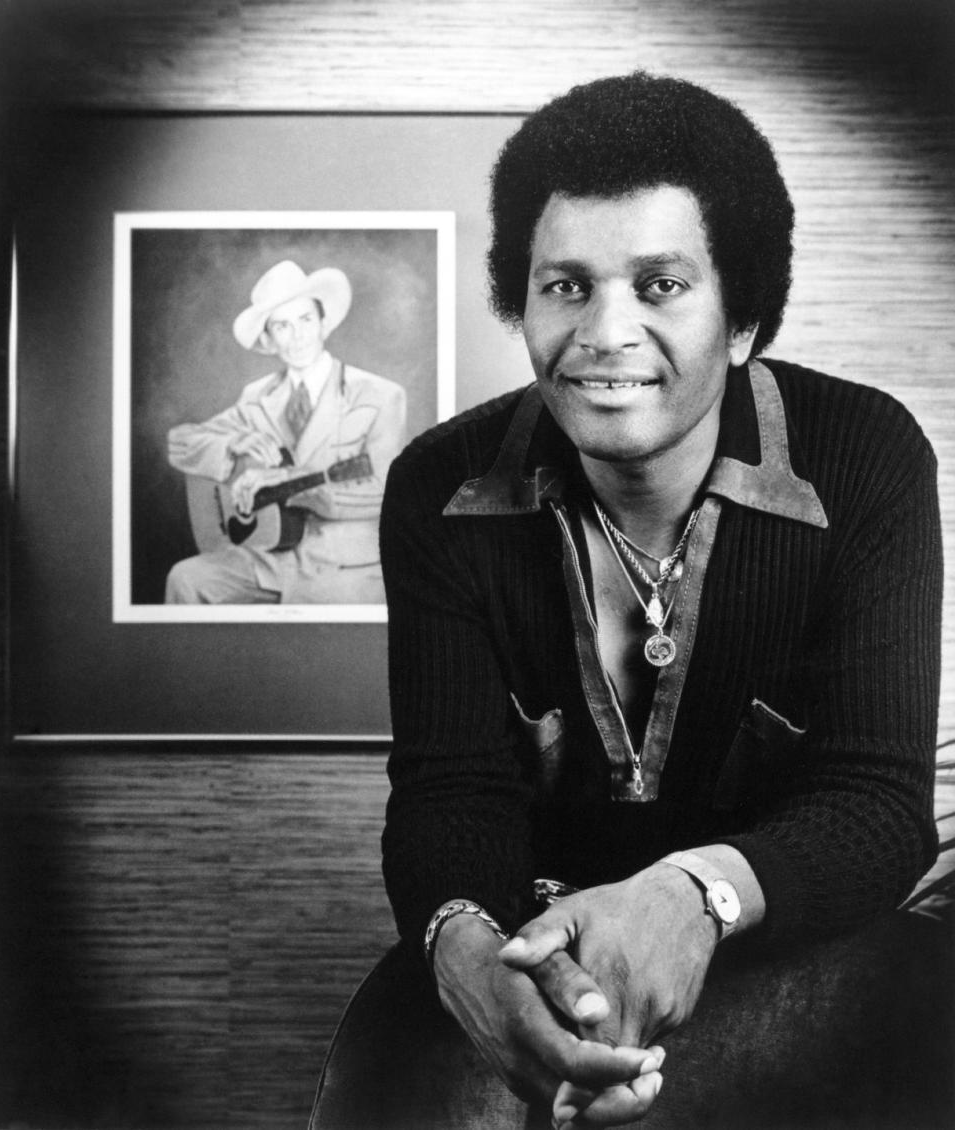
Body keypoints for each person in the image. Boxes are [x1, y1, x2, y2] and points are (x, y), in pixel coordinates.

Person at [312, 73, 951, 1130]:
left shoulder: (867, 456)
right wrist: (464, 945)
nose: (605, 332)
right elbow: (448, 790)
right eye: (567, 285)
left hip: (808, 970)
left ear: (743, 318)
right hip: (544, 966)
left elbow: (880, 803)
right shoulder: (438, 483)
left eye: (659, 285)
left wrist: (692, 895)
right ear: (521, 302)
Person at [165, 259, 406, 604]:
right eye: (282, 326)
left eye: (306, 320)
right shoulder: (257, 397)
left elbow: (389, 489)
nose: (297, 336)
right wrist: (234, 442)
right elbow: (180, 443)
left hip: (343, 567)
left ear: (324, 323)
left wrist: (297, 482)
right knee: (185, 579)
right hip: (267, 556)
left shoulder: (380, 395)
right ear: (268, 338)